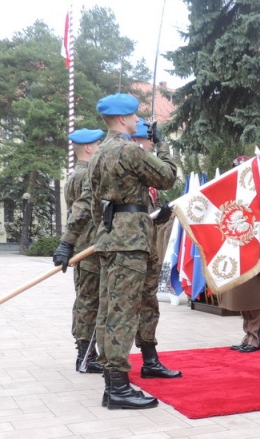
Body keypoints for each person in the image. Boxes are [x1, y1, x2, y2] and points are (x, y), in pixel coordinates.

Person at [89, 93, 180, 410]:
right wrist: (162, 143)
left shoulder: (99, 154)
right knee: (124, 312)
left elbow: (94, 203)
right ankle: (118, 388)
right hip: (131, 241)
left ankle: (112, 383)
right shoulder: (128, 149)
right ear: (123, 119)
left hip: (111, 236)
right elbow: (167, 176)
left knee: (109, 309)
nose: (136, 122)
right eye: (134, 117)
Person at [129, 120, 182, 379]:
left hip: (144, 244)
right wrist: (163, 147)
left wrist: (158, 217)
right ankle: (109, 366)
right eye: (150, 140)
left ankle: (150, 360)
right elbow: (168, 175)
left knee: (148, 303)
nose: (152, 145)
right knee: (126, 305)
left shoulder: (136, 165)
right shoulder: (134, 160)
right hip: (129, 248)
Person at [52, 128, 105, 374]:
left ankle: (85, 354)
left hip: (82, 248)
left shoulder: (73, 175)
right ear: (88, 148)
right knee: (89, 302)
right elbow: (83, 211)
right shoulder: (87, 176)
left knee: (85, 299)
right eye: (98, 144)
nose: (101, 148)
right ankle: (86, 356)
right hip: (91, 248)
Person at [219, 156, 260, 350]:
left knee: (255, 298)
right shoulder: (237, 195)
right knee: (243, 298)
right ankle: (248, 334)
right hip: (240, 254)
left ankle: (256, 338)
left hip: (257, 255)